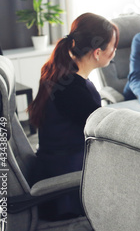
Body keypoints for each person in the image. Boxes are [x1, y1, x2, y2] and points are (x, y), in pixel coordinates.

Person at [28, 12, 119, 220]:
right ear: (97, 52)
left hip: (57, 168)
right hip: (65, 188)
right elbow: (103, 132)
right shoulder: (73, 90)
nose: (114, 52)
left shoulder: (63, 75)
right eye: (113, 46)